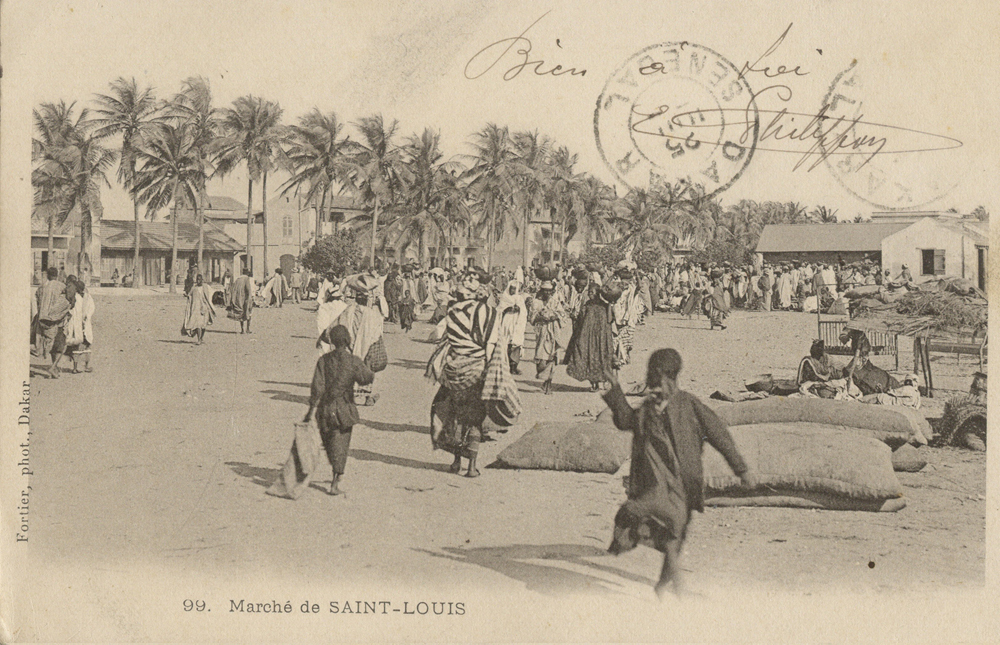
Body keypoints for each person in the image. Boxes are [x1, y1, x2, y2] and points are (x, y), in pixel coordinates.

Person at [603, 349, 753, 598]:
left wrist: (741, 469)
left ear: (672, 378)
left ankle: (664, 586)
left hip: (683, 484)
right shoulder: (647, 409)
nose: (658, 384)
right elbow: (626, 421)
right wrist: (615, 388)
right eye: (655, 378)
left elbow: (719, 435)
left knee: (676, 538)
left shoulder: (689, 406)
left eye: (662, 378)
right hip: (653, 485)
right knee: (671, 528)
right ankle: (679, 590)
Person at [426, 269, 499, 477]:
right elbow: (491, 345)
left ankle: (456, 461)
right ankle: (472, 466)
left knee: (454, 416)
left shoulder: (453, 313)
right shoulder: (490, 313)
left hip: (454, 371)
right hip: (477, 370)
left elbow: (437, 336)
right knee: (474, 417)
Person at [303, 325, 375, 496]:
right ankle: (336, 478)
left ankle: (335, 470)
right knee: (341, 444)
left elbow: (317, 387)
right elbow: (366, 379)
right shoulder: (354, 361)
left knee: (329, 444)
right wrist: (369, 366)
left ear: (333, 342)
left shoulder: (323, 360)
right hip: (344, 409)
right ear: (347, 341)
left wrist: (311, 409)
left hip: (325, 410)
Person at [565, 282, 621, 391]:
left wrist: (610, 304)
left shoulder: (605, 306)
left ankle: (602, 381)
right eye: (589, 292)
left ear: (597, 293)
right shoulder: (587, 305)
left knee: (602, 358)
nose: (590, 295)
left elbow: (610, 320)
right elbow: (580, 320)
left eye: (592, 292)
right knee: (589, 359)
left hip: (602, 338)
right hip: (588, 337)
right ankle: (593, 383)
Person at [529, 279, 570, 394]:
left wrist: (555, 316)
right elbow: (532, 318)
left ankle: (548, 385)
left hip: (553, 332)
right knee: (541, 361)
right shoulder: (536, 302)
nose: (547, 293)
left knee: (552, 358)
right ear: (541, 291)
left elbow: (563, 315)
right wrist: (541, 317)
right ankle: (544, 379)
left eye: (549, 291)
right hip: (542, 333)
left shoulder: (555, 301)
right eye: (545, 291)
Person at [35, 267, 71, 378]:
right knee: (61, 346)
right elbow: (68, 300)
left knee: (51, 345)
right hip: (57, 321)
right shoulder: (61, 286)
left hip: (42, 320)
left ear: (47, 275)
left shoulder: (41, 287)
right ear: (57, 275)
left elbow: (37, 301)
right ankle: (53, 367)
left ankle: (54, 368)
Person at [63, 276, 96, 372]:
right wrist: (87, 317)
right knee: (85, 345)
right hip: (82, 324)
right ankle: (83, 366)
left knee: (78, 345)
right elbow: (91, 308)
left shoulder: (76, 297)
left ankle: (76, 367)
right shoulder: (86, 297)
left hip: (78, 324)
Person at [497, 279, 528, 376]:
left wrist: (518, 309)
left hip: (517, 323)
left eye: (515, 289)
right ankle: (505, 365)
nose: (513, 290)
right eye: (511, 288)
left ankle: (514, 366)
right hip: (507, 322)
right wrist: (507, 309)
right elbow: (499, 310)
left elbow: (524, 311)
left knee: (516, 343)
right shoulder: (505, 297)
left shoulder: (519, 299)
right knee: (505, 342)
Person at [182, 275, 216, 345]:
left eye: (200, 280)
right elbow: (190, 295)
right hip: (196, 308)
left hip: (204, 308)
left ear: (202, 280)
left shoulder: (206, 287)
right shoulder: (194, 288)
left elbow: (210, 296)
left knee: (203, 325)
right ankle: (199, 339)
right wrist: (187, 296)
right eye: (197, 280)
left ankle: (201, 338)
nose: (198, 281)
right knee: (198, 325)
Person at [228, 268, 255, 334]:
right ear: (247, 273)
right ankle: (247, 329)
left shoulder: (238, 279)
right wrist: (250, 299)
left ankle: (242, 329)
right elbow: (248, 289)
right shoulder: (246, 278)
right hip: (245, 299)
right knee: (249, 313)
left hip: (238, 299)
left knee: (241, 314)